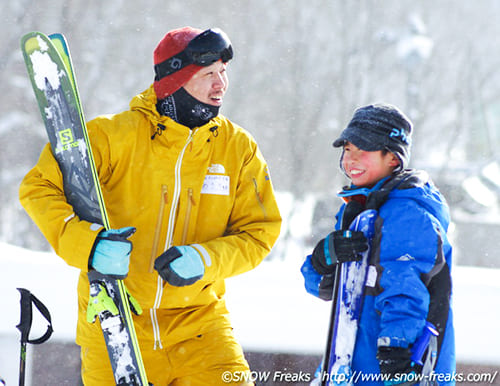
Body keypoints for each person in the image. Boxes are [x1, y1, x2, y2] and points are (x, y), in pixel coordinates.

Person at [19, 26, 281, 385]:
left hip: (201, 325)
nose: (221, 84)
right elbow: (38, 188)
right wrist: (90, 246)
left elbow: (259, 232)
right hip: (115, 321)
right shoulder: (112, 136)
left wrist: (206, 259)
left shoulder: (237, 149)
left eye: (224, 72)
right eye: (208, 74)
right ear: (175, 81)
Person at [301, 104, 455, 385]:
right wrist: (322, 259)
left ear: (393, 159)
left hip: (395, 366)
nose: (352, 158)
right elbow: (326, 289)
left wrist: (397, 350)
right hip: (349, 360)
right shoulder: (358, 208)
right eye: (348, 149)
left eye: (364, 150)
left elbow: (406, 286)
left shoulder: (407, 212)